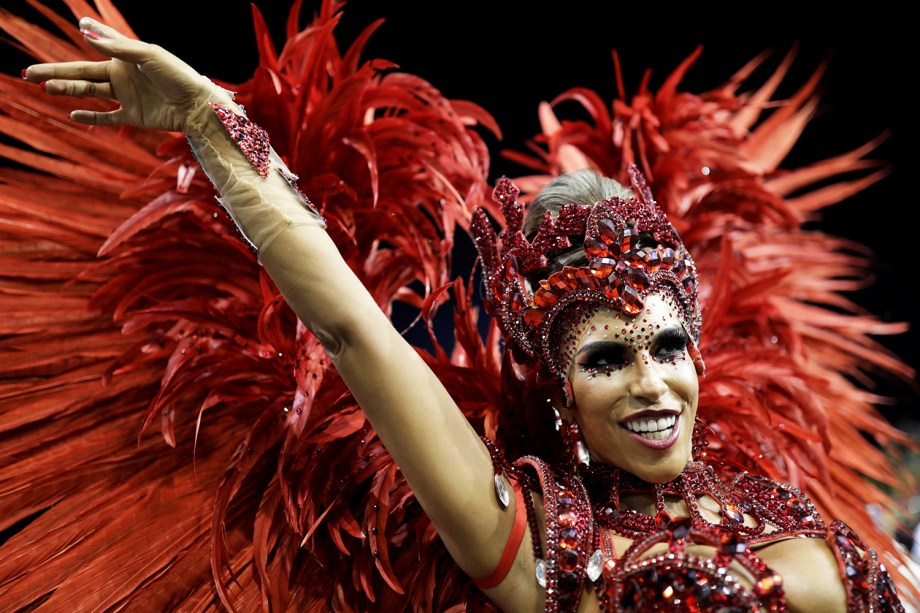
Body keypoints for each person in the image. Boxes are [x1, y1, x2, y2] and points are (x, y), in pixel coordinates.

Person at [6, 7, 915, 612]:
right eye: (606, 357)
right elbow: (352, 332)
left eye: (669, 343)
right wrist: (217, 129)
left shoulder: (789, 513)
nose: (652, 381)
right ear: (559, 386)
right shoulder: (541, 541)